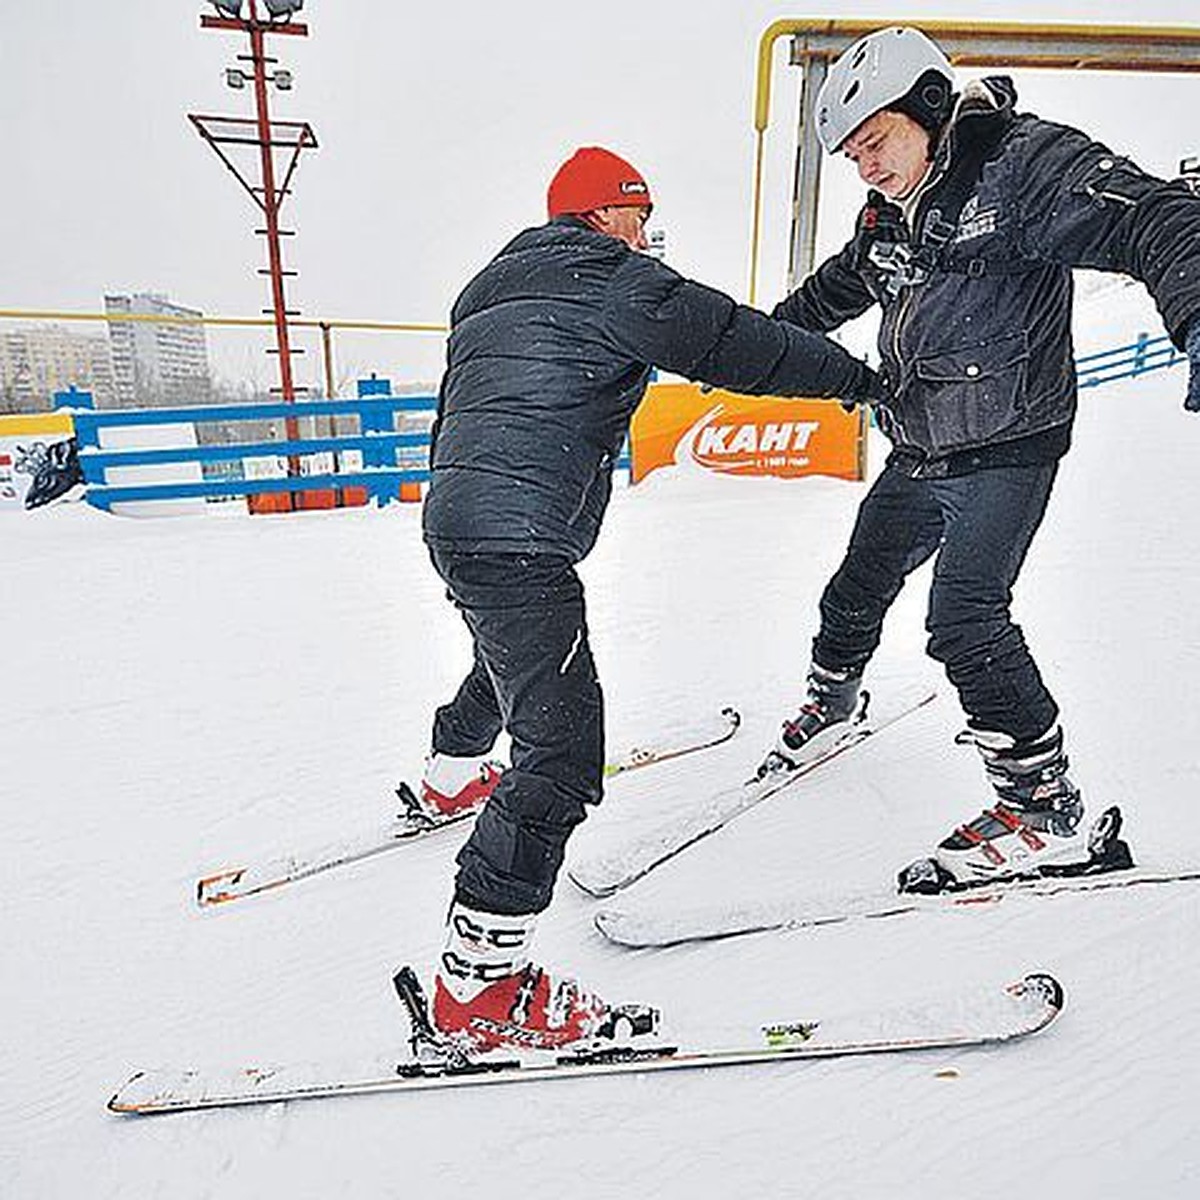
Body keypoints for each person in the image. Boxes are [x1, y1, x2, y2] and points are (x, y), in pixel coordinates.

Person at [417, 145, 884, 1052]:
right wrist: (856, 382)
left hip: (458, 516)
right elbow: (738, 344)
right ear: (605, 212)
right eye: (640, 213)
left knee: (506, 654)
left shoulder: (485, 289)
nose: (646, 232)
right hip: (521, 536)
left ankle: (446, 776)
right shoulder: (615, 278)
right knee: (558, 753)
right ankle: (480, 991)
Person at [766, 26, 1200, 893]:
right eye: (852, 156)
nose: (867, 168)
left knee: (964, 620)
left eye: (875, 143)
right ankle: (831, 697)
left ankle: (1043, 809)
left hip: (1008, 449)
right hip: (920, 441)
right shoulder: (893, 210)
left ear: (929, 107)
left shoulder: (1027, 166)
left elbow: (1159, 217)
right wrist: (747, 342)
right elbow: (836, 289)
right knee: (854, 589)